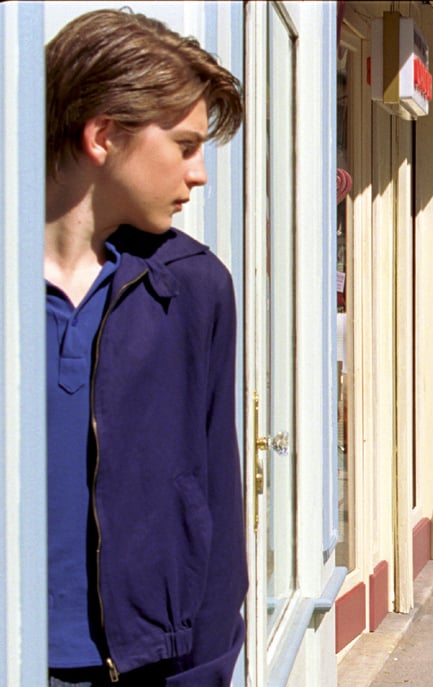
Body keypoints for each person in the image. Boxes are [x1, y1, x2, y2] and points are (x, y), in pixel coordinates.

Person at [44, 9, 246, 684]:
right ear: (105, 136)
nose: (200, 175)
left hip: (146, 667)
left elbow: (216, 500)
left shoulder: (194, 288)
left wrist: (207, 669)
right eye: (186, 146)